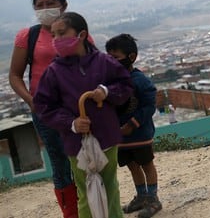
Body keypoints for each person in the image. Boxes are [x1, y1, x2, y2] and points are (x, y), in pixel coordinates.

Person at [33, 12, 133, 218]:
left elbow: (125, 86)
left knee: (110, 187)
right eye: (54, 35)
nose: (56, 40)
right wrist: (71, 123)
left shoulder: (104, 62)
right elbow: (43, 106)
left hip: (107, 137)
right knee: (85, 192)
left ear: (81, 35)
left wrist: (106, 92)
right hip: (75, 142)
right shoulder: (53, 72)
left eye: (62, 33)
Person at [8, 0, 78, 218]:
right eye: (39, 5)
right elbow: (15, 75)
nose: (45, 9)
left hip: (76, 109)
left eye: (50, 4)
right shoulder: (29, 36)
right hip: (45, 110)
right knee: (59, 162)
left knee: (83, 158)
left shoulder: (76, 31)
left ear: (63, 6)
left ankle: (91, 206)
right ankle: (71, 213)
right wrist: (31, 101)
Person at [105, 33, 162, 218]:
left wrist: (133, 123)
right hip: (121, 138)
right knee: (132, 166)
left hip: (140, 135)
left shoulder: (140, 80)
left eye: (115, 58)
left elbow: (149, 105)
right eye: (109, 57)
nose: (111, 62)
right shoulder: (111, 83)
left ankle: (153, 199)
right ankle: (141, 196)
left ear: (131, 57)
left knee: (146, 164)